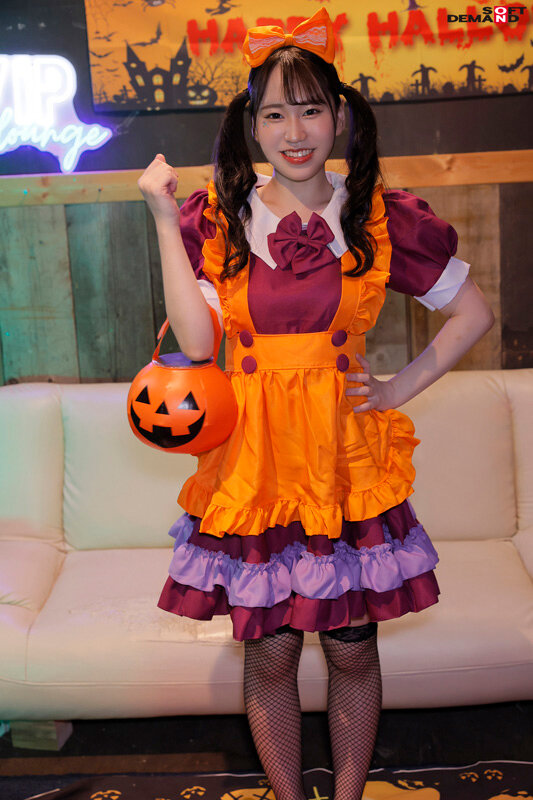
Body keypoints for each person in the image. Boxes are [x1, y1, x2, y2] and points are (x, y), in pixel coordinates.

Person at [138, 9, 495, 800]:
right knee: (268, 652)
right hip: (255, 460)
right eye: (273, 114)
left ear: (338, 114)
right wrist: (164, 219)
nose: (293, 132)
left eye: (308, 109)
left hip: (342, 459)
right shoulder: (219, 217)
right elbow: (195, 343)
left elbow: (472, 314)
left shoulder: (380, 216)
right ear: (251, 126)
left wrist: (396, 388)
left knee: (351, 648)